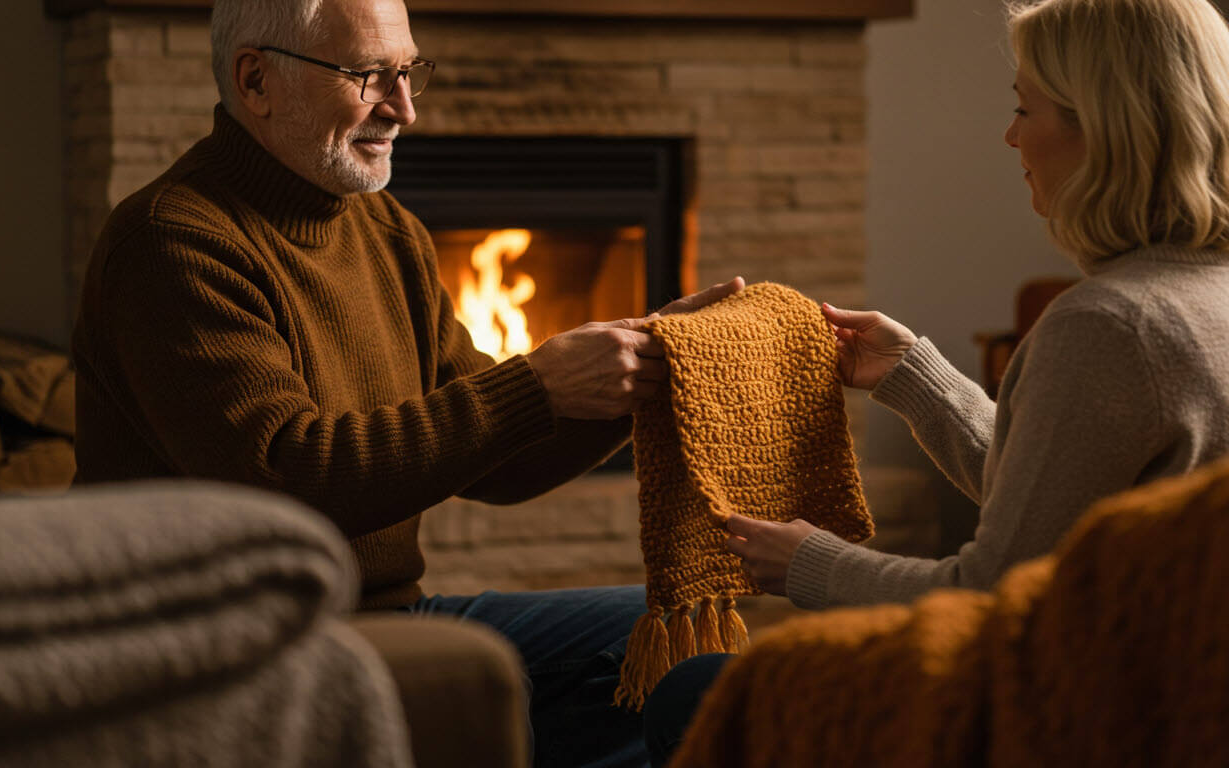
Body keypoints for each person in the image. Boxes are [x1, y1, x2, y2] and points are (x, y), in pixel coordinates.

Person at [71, 0, 740, 765]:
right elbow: (286, 477)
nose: (405, 108)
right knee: (480, 686)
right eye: (369, 76)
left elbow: (502, 461)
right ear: (255, 80)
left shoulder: (388, 232)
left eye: (409, 70)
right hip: (224, 644)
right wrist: (538, 386)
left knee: (677, 645)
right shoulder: (172, 242)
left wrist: (645, 370)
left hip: (390, 615)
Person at [644, 0, 1229, 762]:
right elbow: (1059, 503)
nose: (1012, 135)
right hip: (1180, 699)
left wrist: (809, 564)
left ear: (1106, 129)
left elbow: (993, 600)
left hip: (1085, 718)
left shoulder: (1110, 323)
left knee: (700, 693)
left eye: (1026, 108)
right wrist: (915, 376)